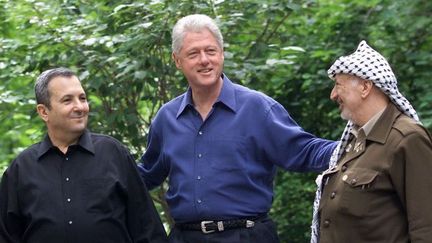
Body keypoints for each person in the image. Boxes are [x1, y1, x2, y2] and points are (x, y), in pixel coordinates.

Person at [138, 14, 336, 243]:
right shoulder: (167, 118)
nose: (204, 60)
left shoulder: (257, 108)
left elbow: (304, 151)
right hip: (185, 237)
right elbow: (144, 176)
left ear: (222, 53)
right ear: (177, 60)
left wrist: (359, 147)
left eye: (211, 51)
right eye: (193, 53)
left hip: (247, 236)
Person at [0, 67, 168, 243]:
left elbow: (147, 229)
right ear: (44, 112)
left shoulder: (113, 153)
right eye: (67, 100)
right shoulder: (22, 168)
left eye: (82, 98)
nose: (80, 107)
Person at [310, 40, 432, 243]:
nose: (333, 95)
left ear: (365, 87)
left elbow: (426, 227)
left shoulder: (407, 139)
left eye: (338, 85)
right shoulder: (354, 141)